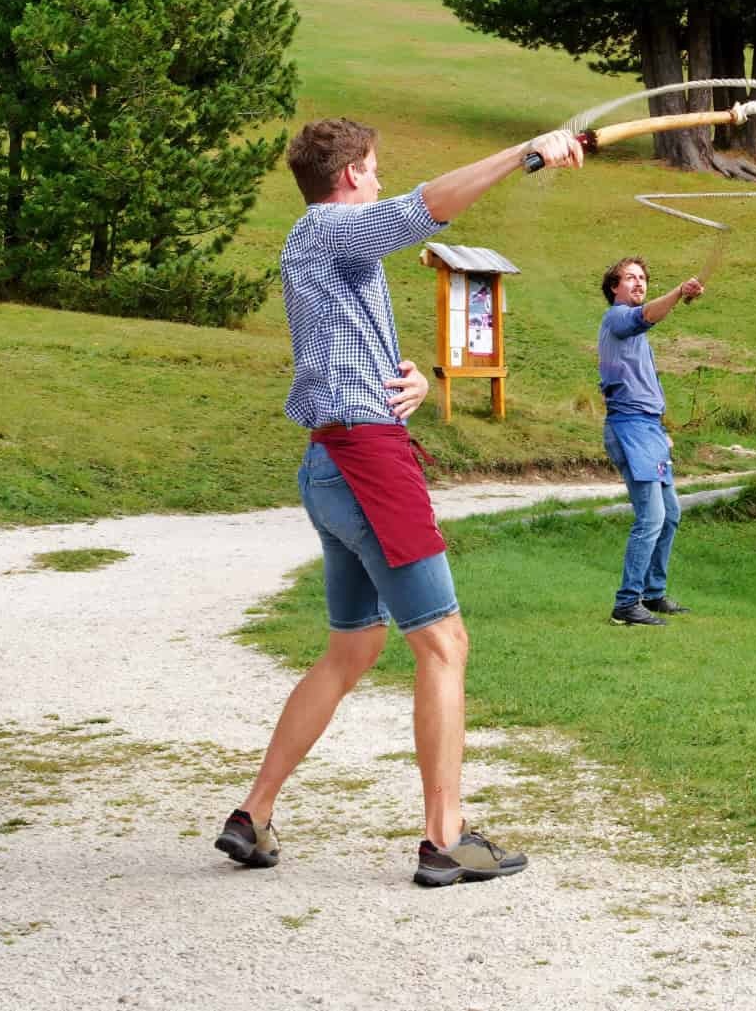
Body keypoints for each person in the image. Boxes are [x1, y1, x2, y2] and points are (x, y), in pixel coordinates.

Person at [214, 117, 583, 886]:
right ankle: (445, 836)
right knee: (444, 642)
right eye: (374, 170)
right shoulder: (327, 225)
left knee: (353, 649)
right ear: (350, 175)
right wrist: (524, 153)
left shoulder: (325, 247)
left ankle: (253, 815)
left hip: (334, 457)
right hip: (365, 462)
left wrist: (409, 380)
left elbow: (352, 351)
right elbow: (429, 206)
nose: (380, 180)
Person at [598, 256, 704, 627]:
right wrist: (679, 291)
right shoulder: (617, 318)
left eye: (642, 277)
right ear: (614, 287)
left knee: (670, 514)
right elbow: (646, 315)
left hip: (648, 428)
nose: (638, 283)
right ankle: (626, 604)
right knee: (651, 517)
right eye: (630, 278)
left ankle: (652, 594)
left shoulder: (637, 330)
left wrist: (659, 430)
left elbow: (648, 317)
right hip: (629, 427)